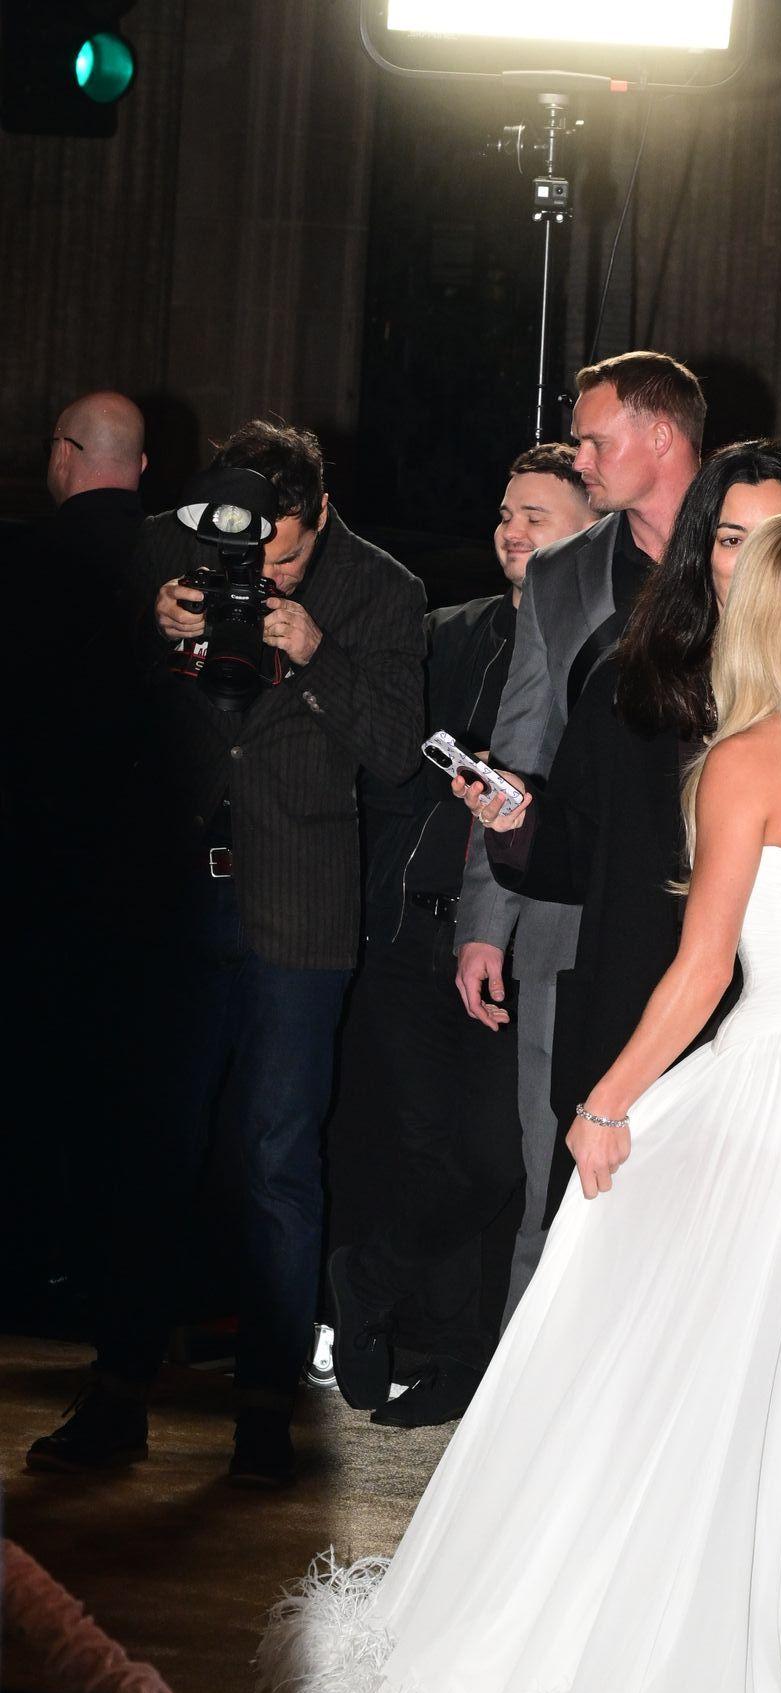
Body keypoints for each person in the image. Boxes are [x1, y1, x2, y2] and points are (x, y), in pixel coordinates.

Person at [261, 514, 781, 1693]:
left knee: (690, 1354)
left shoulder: (747, 761)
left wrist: (603, 1103)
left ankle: (664, 1639)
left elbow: (699, 976)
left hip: (775, 1080)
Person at [26, 419, 426, 1489]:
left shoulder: (381, 589)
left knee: (276, 1162)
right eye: (252, 552)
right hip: (168, 900)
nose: (264, 571)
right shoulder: (160, 548)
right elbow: (71, 711)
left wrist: (318, 653)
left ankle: (265, 1412)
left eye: (285, 557)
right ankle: (118, 1393)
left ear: (322, 515)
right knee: (147, 1153)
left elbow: (397, 755)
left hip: (300, 907)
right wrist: (147, 631)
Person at [322, 444, 598, 1428]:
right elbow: (379, 758)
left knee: (489, 1161)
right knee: (428, 1150)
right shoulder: (445, 634)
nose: (511, 532)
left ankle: (368, 1284)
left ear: (591, 536)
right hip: (411, 933)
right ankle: (441, 1360)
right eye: (505, 514)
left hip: (518, 945)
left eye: (536, 517)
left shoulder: (600, 652)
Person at [478, 439, 781, 1217]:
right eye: (732, 539)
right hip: (642, 1017)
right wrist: (516, 822)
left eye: (777, 540)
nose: (755, 565)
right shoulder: (634, 682)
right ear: (702, 552)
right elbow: (578, 855)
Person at [453, 350, 704, 1323]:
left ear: (660, 436)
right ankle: (530, 1396)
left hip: (726, 924)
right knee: (556, 1186)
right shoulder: (562, 574)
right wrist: (487, 923)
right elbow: (521, 744)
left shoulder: (756, 550)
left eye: (596, 442)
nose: (581, 460)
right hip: (573, 913)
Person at [2, 392, 149, 1327]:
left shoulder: (21, 561)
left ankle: (24, 1275)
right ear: (141, 468)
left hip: (30, 869)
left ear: (63, 455)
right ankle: (110, 1282)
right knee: (132, 1089)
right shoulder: (178, 558)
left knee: (27, 1079)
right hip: (153, 878)